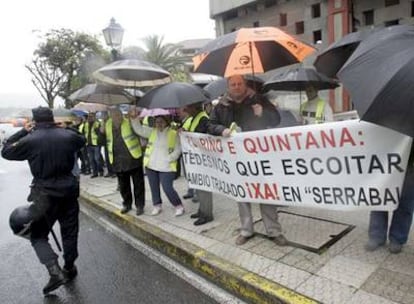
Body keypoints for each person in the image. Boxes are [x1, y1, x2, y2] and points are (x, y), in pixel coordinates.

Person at [2, 106, 85, 295]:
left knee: (38, 235)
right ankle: (69, 267)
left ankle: (55, 272)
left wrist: (24, 130)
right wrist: (65, 127)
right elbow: (82, 139)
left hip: (45, 195)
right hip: (69, 191)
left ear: (35, 121)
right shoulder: (67, 135)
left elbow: (6, 151)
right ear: (53, 119)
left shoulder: (30, 139)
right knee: (70, 231)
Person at [207, 74, 288, 246]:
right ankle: (246, 230)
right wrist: (221, 130)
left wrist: (262, 113)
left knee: (266, 192)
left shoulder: (258, 99)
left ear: (245, 85)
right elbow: (210, 125)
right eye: (233, 84)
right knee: (242, 193)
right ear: (228, 87)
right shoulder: (222, 105)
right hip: (236, 158)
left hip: (259, 155)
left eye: (239, 84)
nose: (236, 87)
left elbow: (276, 120)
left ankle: (273, 230)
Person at [130, 110, 185, 217]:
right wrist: (134, 119)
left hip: (166, 166)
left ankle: (178, 205)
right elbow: (139, 129)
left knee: (167, 188)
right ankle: (157, 205)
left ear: (166, 122)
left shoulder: (173, 133)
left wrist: (170, 158)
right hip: (151, 166)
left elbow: (179, 148)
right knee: (154, 187)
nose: (159, 124)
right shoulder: (152, 131)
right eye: (157, 122)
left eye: (161, 121)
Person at [365, 149, 414, 254]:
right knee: (379, 200)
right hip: (383, 158)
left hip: (410, 162)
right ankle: (377, 235)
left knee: (405, 203)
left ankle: (397, 238)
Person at [103, 107, 145, 215]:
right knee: (123, 186)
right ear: (111, 117)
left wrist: (135, 120)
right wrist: (101, 131)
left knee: (138, 184)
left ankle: (140, 205)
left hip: (133, 158)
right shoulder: (107, 124)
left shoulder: (129, 122)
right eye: (114, 115)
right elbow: (102, 141)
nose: (117, 117)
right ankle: (127, 204)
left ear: (122, 115)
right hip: (118, 160)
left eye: (118, 115)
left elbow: (140, 132)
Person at [181, 102, 213, 226]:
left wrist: (188, 134)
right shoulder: (194, 118)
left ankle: (207, 215)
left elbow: (202, 136)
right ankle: (202, 210)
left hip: (203, 160)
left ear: (194, 107)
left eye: (187, 106)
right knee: (199, 187)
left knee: (204, 188)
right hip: (197, 160)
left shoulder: (203, 118)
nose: (185, 109)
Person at [83, 112, 104, 178]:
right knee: (91, 159)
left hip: (96, 144)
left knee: (97, 159)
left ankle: (100, 170)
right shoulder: (85, 124)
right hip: (88, 144)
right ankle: (95, 173)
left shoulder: (97, 124)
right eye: (89, 116)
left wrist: (97, 130)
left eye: (91, 116)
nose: (90, 118)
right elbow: (84, 133)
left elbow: (101, 134)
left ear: (94, 117)